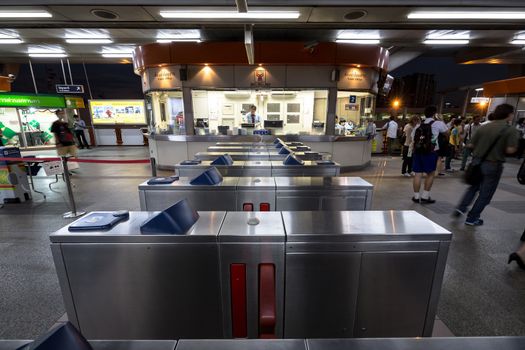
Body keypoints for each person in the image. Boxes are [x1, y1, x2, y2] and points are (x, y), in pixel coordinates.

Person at [454, 103, 519, 226]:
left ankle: (461, 208)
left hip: (477, 162)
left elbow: (470, 145)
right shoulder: (510, 130)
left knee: (473, 187)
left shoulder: (483, 127)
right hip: (493, 164)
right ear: (509, 114)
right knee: (485, 193)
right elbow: (511, 150)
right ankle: (472, 218)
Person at [411, 105, 449, 204]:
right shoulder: (438, 123)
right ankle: (425, 196)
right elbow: (447, 133)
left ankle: (416, 197)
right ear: (434, 114)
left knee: (417, 174)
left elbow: (413, 138)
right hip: (431, 152)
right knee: (430, 174)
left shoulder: (419, 125)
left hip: (418, 152)